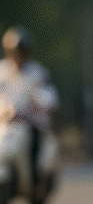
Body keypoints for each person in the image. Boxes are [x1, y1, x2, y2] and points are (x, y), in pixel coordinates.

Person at [0, 27, 59, 178]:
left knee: (41, 156)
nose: (18, 56)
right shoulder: (2, 71)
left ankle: (36, 177)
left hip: (30, 125)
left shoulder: (37, 72)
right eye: (15, 52)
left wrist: (39, 102)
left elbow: (49, 98)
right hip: (5, 124)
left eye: (21, 52)